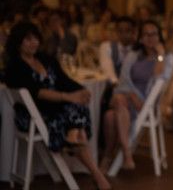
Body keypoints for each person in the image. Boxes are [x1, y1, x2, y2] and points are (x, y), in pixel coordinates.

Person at [4, 21, 111, 189]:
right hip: (34, 116)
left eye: (36, 38)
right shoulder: (14, 67)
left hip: (55, 110)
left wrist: (81, 90)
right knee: (73, 111)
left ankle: (72, 138)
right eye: (28, 39)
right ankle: (96, 173)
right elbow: (37, 93)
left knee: (77, 111)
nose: (34, 43)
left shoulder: (45, 59)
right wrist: (68, 97)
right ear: (18, 42)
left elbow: (64, 80)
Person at [101, 20, 173, 171]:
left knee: (110, 114)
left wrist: (160, 55)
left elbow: (160, 79)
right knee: (113, 109)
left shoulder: (167, 58)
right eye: (145, 34)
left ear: (159, 36)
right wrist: (131, 95)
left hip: (146, 104)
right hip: (127, 98)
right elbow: (123, 80)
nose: (149, 37)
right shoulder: (133, 55)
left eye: (153, 34)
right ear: (140, 38)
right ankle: (126, 154)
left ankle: (108, 156)